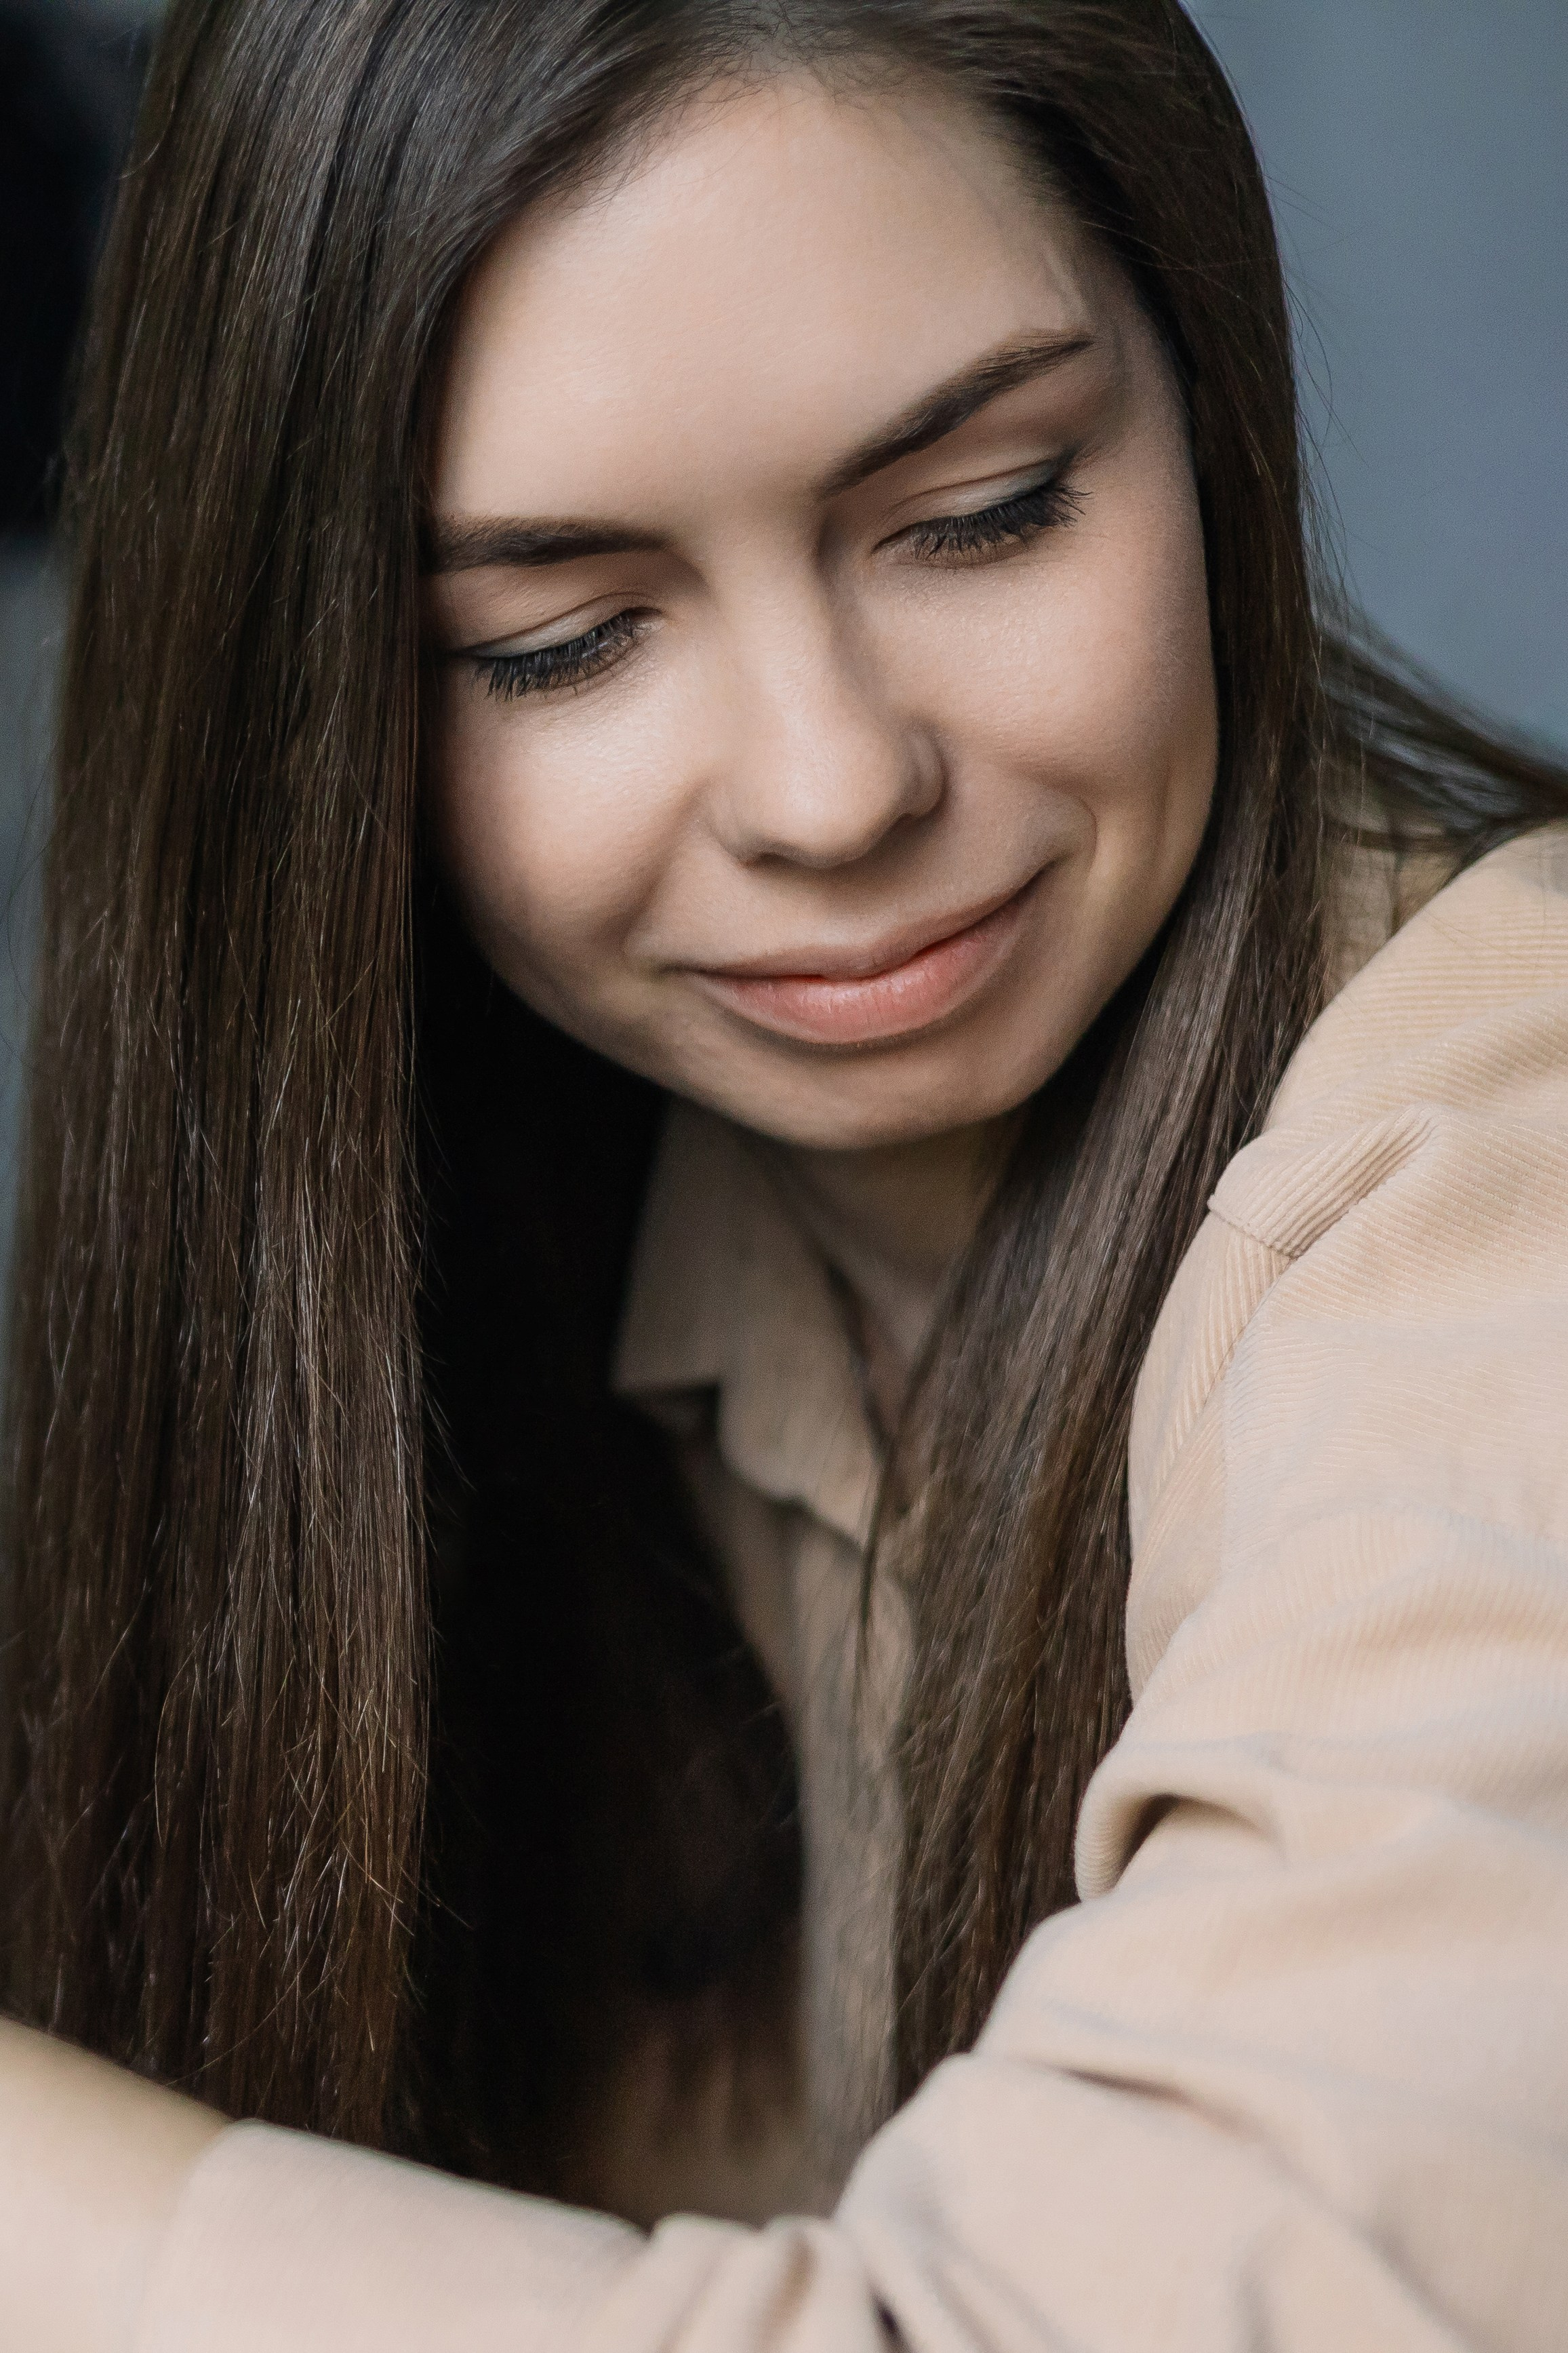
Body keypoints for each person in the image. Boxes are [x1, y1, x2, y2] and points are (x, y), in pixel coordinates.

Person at [2, 1, 1565, 2345]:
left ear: (1204, 400)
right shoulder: (559, 1215)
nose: (831, 789)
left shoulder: (1504, 1182)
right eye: (562, 642)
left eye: (983, 511)